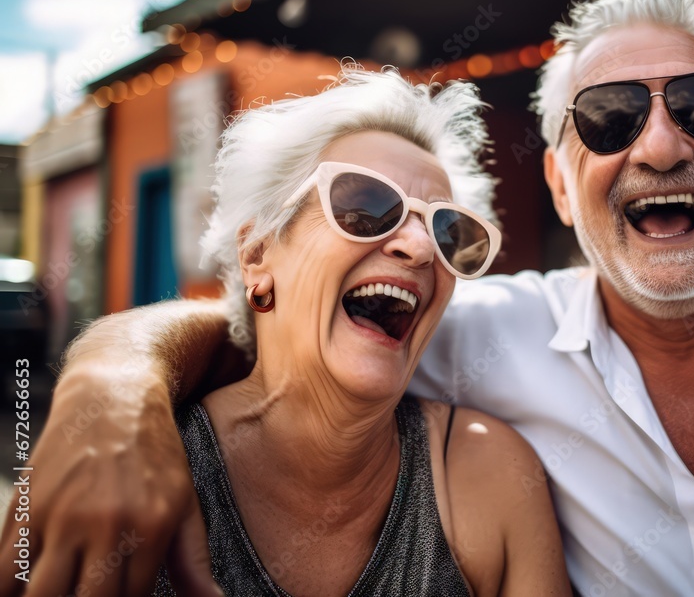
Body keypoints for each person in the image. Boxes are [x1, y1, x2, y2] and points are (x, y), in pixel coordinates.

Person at [4, 0, 694, 596]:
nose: (662, 142)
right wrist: (110, 389)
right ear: (561, 186)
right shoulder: (475, 333)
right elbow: (265, 334)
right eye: (608, 118)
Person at [3, 69, 572, 596]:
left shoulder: (485, 472)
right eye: (366, 204)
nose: (421, 247)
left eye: (449, 231)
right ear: (257, 254)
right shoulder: (131, 465)